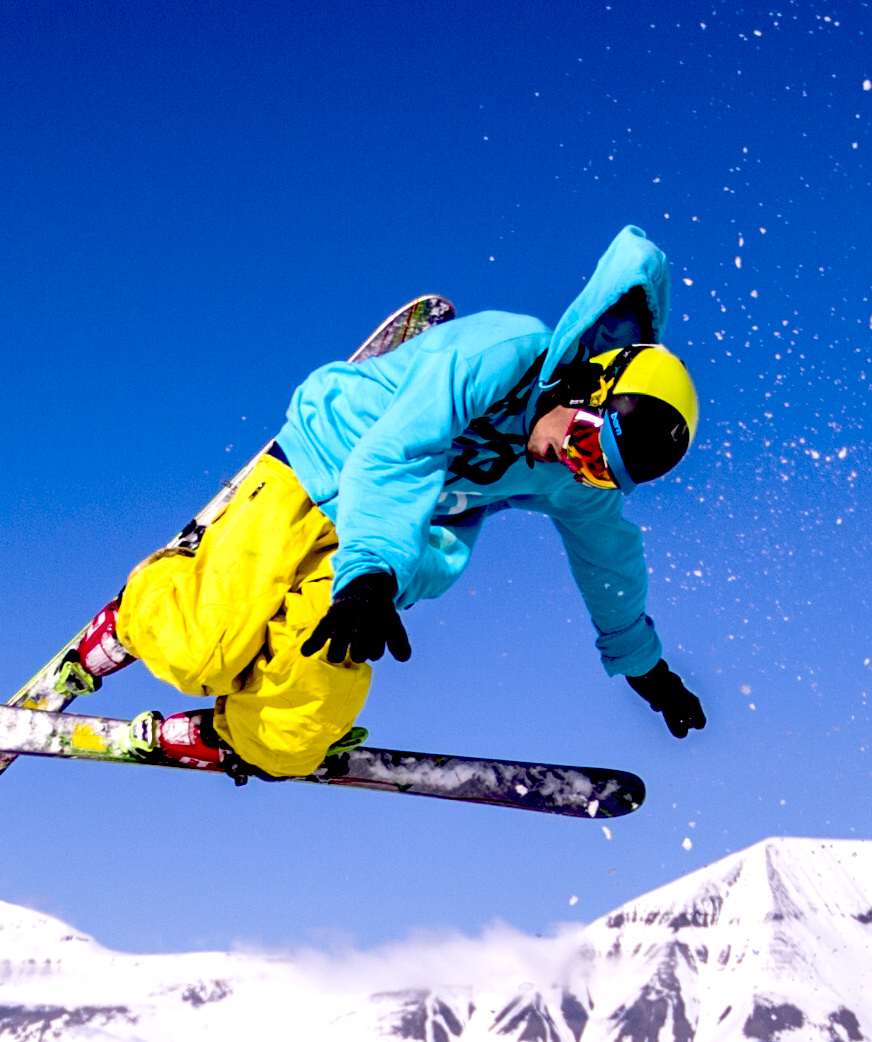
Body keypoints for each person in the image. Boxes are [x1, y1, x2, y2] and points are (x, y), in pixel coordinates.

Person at [71, 227, 709, 778]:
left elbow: (608, 557)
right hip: (322, 475)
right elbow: (398, 455)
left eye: (599, 473)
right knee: (203, 648)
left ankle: (230, 737)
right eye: (586, 445)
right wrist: (372, 572)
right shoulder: (502, 351)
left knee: (296, 731)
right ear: (587, 386)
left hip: (384, 558)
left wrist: (642, 664)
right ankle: (142, 607)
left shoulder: (569, 476)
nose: (573, 465)